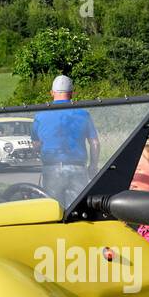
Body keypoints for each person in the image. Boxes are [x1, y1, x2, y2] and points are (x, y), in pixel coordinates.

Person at [30, 74, 100, 207]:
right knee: (77, 210)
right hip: (78, 168)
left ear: (52, 93)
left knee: (54, 210)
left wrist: (41, 149)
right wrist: (93, 165)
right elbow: (95, 143)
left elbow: (36, 145)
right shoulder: (83, 114)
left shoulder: (40, 115)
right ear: (72, 93)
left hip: (52, 169)